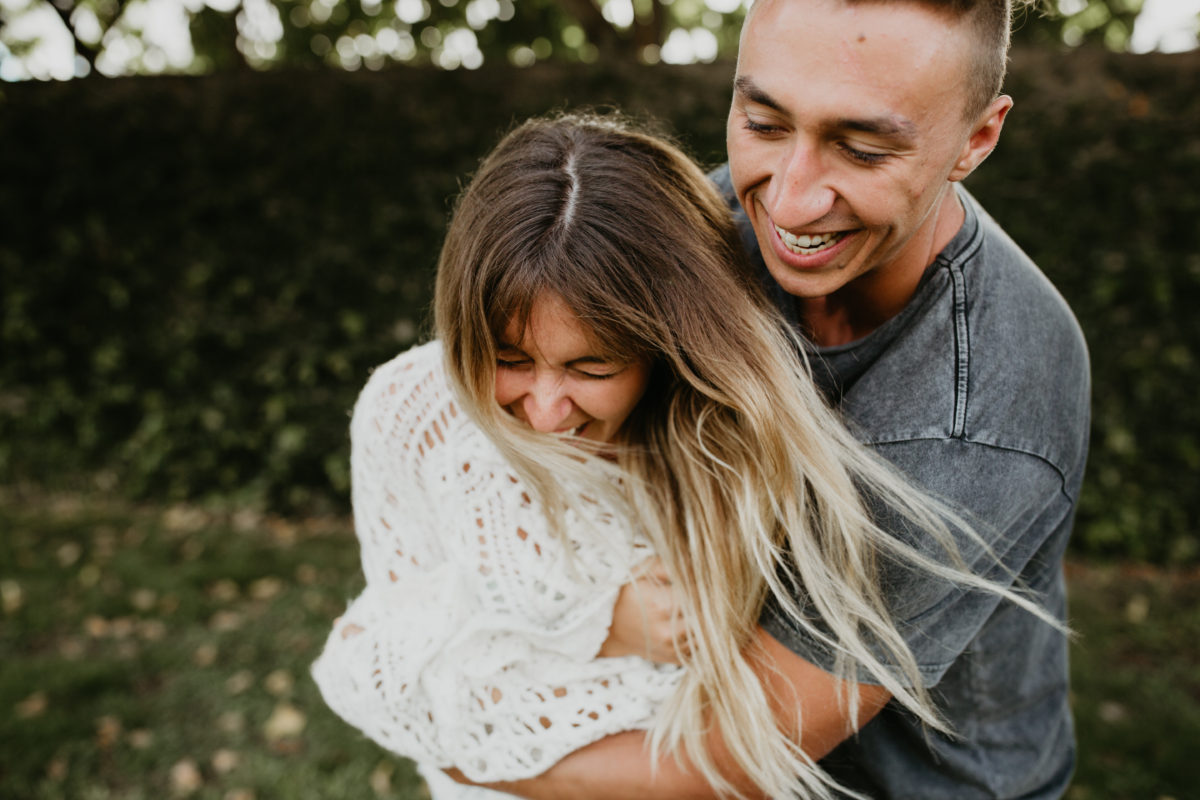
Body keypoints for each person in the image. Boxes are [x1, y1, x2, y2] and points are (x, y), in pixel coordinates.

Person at [312, 112, 1049, 800]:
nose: (543, 407)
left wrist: (458, 704)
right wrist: (603, 623)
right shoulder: (409, 410)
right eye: (506, 359)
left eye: (590, 368)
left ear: (660, 344)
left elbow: (710, 740)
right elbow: (383, 655)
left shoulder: (715, 463)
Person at [463, 1, 1091, 799]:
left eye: (861, 150)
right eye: (762, 125)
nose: (789, 203)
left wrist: (469, 755)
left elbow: (737, 751)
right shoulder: (710, 228)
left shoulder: (982, 412)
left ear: (977, 138)